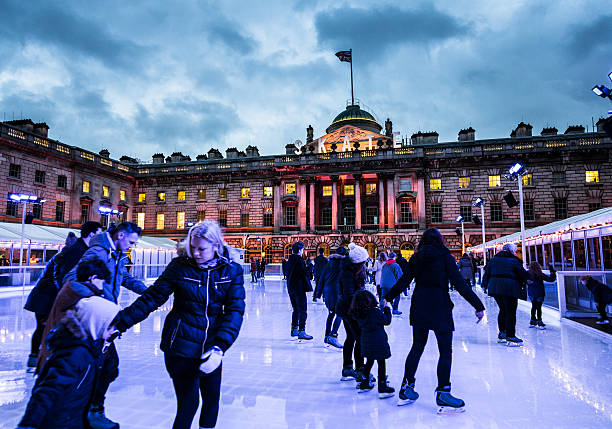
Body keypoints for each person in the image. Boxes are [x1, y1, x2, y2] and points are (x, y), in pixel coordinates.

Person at [110, 220, 245, 429]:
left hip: (211, 348)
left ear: (216, 246)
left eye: (202, 249)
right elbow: (152, 298)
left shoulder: (231, 271)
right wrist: (121, 323)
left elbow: (235, 311)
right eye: (192, 247)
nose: (196, 253)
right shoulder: (180, 266)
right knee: (188, 404)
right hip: (179, 346)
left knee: (211, 401)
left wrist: (220, 347)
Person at [384, 228, 485, 413]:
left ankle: (407, 388)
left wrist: (387, 297)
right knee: (445, 351)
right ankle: (443, 393)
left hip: (420, 304)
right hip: (439, 305)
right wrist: (478, 306)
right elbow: (460, 283)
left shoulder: (416, 258)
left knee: (417, 347)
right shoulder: (445, 256)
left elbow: (404, 281)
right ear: (439, 240)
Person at [64, 222, 148, 429]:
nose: (131, 247)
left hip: (104, 319)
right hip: (93, 320)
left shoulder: (117, 253)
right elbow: (72, 279)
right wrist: (97, 302)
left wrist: (148, 292)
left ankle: (89, 410)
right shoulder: (99, 252)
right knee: (105, 367)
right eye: (130, 242)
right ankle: (90, 411)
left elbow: (124, 278)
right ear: (120, 235)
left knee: (108, 367)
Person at [17, 296, 120, 429]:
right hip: (58, 422)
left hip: (73, 418)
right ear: (95, 324)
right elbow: (47, 392)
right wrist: (28, 425)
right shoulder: (74, 353)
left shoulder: (89, 347)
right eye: (109, 326)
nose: (114, 330)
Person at [24, 221, 103, 368]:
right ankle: (36, 357)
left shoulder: (81, 249)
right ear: (92, 235)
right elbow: (64, 276)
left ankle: (41, 356)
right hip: (46, 296)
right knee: (44, 327)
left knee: (48, 327)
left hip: (50, 295)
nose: (100, 238)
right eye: (99, 234)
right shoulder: (77, 250)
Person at [36, 258, 111, 373]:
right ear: (93, 278)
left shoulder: (74, 289)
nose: (103, 286)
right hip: (60, 362)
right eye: (102, 281)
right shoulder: (82, 296)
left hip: (57, 358)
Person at [482, 242, 530, 347]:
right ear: (512, 251)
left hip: (495, 288)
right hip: (509, 288)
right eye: (515, 251)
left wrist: (484, 285)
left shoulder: (494, 259)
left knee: (503, 310)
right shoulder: (513, 260)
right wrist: (532, 276)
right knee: (511, 312)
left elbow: (487, 272)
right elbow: (522, 273)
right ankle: (510, 335)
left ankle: (502, 333)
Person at [350, 289, 395, 399]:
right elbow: (387, 321)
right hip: (378, 342)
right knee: (381, 363)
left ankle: (365, 382)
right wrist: (386, 309)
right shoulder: (374, 312)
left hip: (366, 342)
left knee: (369, 362)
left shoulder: (359, 314)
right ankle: (382, 386)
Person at [337, 242, 369, 382]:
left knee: (351, 337)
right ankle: (360, 369)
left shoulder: (350, 270)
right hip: (349, 310)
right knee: (359, 338)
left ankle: (348, 367)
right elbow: (349, 295)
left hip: (348, 309)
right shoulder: (348, 273)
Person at [319, 247, 346, 348]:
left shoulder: (328, 263)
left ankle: (326, 336)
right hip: (337, 292)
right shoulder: (342, 264)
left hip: (328, 292)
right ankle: (333, 335)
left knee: (331, 314)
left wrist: (319, 293)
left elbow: (321, 278)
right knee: (340, 313)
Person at [285, 242, 313, 340]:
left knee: (296, 309)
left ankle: (294, 329)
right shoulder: (299, 260)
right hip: (299, 289)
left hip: (291, 288)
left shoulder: (289, 260)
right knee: (303, 310)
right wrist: (310, 266)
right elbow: (304, 273)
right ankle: (302, 331)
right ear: (300, 250)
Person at [527, 262, 556, 328]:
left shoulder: (528, 273)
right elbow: (551, 279)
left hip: (531, 293)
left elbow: (523, 279)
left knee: (534, 306)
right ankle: (539, 321)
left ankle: (533, 321)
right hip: (540, 292)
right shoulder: (540, 274)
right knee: (538, 307)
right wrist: (552, 272)